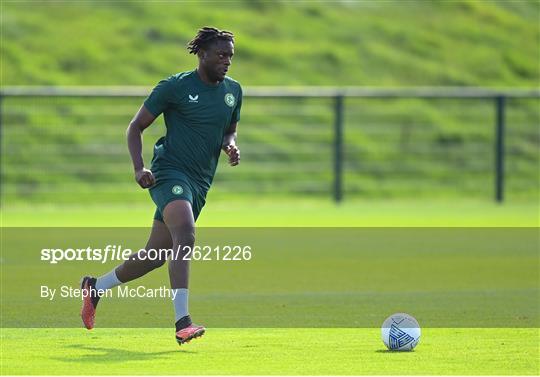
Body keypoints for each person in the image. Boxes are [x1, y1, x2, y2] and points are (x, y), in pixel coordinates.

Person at [80, 27, 242, 346]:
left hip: (200, 182)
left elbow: (229, 131)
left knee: (156, 254)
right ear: (202, 54)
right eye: (221, 55)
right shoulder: (175, 87)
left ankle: (95, 287)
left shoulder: (234, 91)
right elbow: (135, 127)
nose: (227, 61)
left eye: (231, 56)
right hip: (168, 172)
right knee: (186, 232)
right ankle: (183, 321)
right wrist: (139, 166)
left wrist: (230, 145)